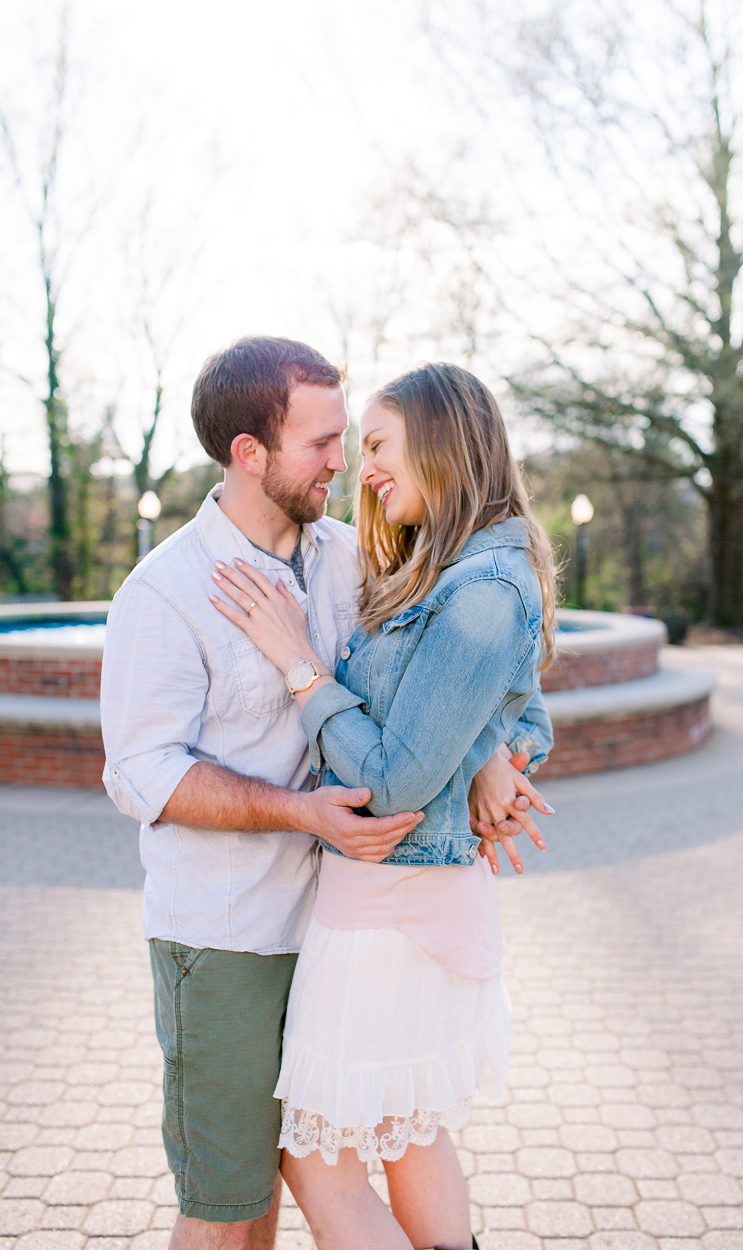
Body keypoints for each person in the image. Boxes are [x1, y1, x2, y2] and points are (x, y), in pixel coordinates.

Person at [100, 338, 552, 1250]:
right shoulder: (166, 591)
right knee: (231, 1206)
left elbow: (456, 679)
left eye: (351, 439)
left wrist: (492, 751)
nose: (344, 462)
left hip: (345, 924)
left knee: (360, 1149)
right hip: (228, 937)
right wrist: (297, 811)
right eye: (322, 443)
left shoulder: (356, 559)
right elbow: (139, 772)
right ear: (248, 452)